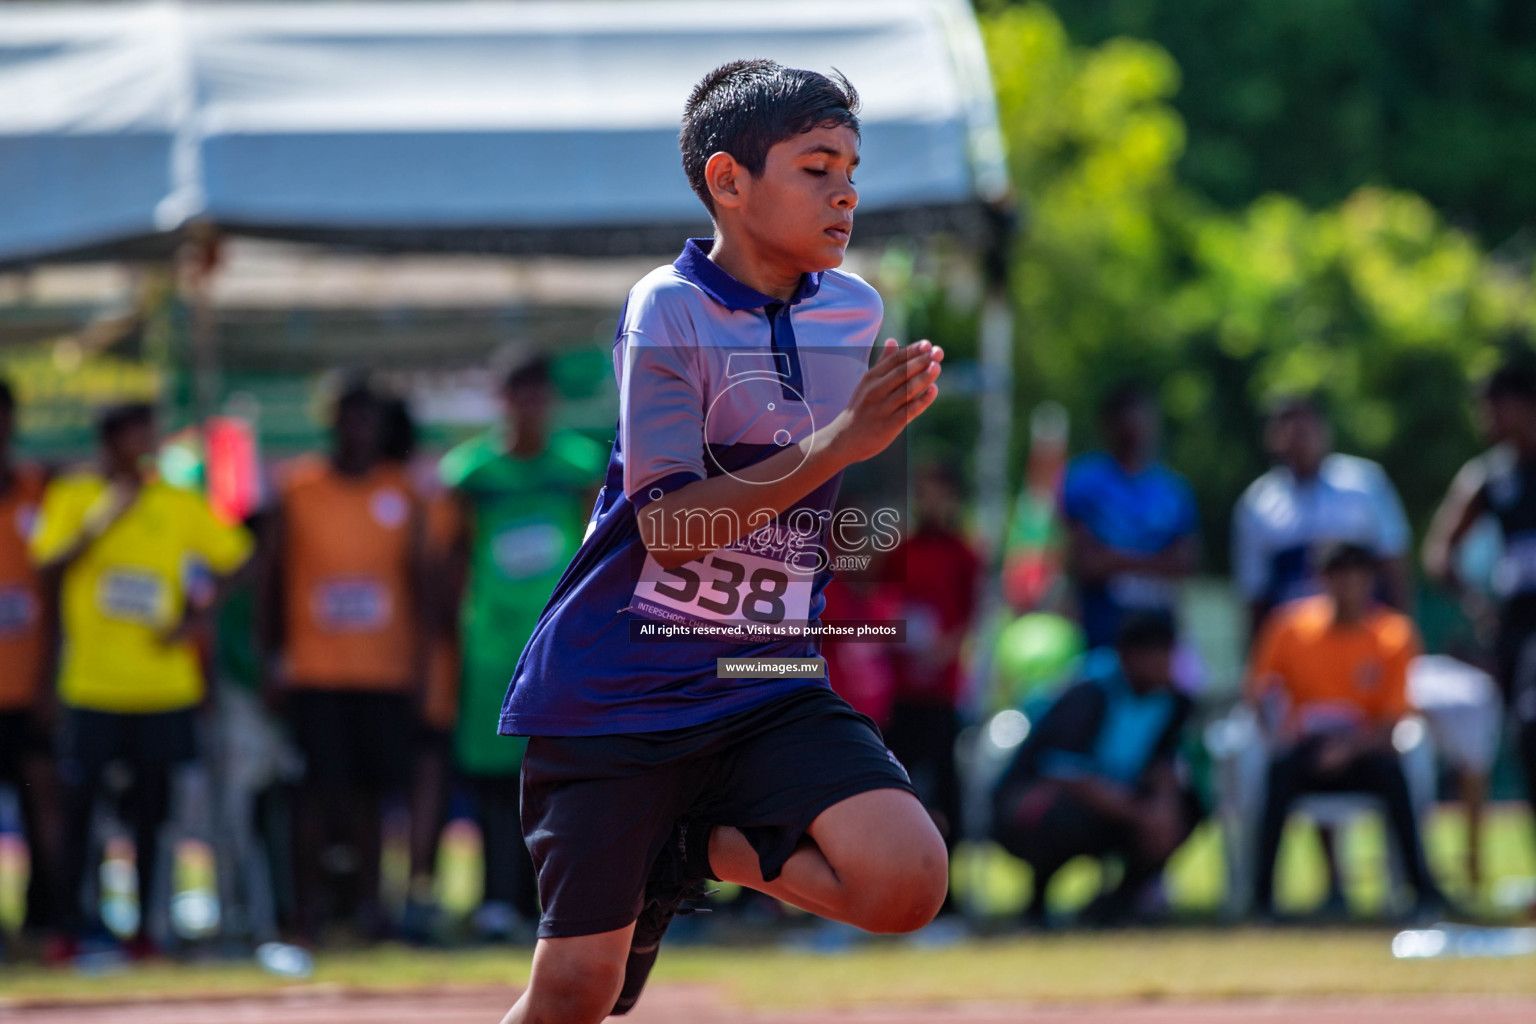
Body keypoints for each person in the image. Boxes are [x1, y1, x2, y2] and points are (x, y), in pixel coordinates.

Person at [497, 60, 948, 1024]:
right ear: (727, 182)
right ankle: (669, 847)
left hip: (763, 682)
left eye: (852, 169)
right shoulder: (667, 305)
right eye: (817, 165)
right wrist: (846, 442)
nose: (846, 191)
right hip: (620, 688)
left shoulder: (855, 311)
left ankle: (686, 850)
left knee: (907, 882)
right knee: (576, 993)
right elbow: (669, 529)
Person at [31, 402, 253, 959]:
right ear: (108, 441)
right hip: (92, 686)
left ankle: (146, 930)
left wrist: (198, 617)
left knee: (154, 815)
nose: (145, 445)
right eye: (134, 435)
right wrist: (105, 517)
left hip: (164, 689)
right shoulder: (73, 496)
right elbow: (48, 569)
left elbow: (239, 557)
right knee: (82, 813)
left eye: (149, 435)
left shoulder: (177, 502)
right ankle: (75, 928)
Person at [440, 353, 606, 944]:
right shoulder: (471, 473)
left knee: (559, 778)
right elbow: (453, 557)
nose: (528, 408)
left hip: (562, 650)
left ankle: (555, 901)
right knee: (492, 781)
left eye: (539, 396)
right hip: (492, 650)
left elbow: (597, 555)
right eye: (518, 396)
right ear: (502, 400)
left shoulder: (580, 467)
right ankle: (493, 901)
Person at [261, 381, 426, 943]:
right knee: (313, 796)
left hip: (383, 672)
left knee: (373, 797)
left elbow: (419, 581)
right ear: (332, 423)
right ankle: (307, 910)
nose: (359, 431)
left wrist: (422, 666)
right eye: (349, 419)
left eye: (368, 420)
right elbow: (270, 577)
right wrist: (271, 659)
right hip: (315, 672)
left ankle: (367, 908)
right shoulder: (298, 486)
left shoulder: (399, 490)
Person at [1247, 542, 1444, 919]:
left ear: (1370, 580)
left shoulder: (1392, 633)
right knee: (1277, 774)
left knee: (1395, 776)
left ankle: (1422, 891)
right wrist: (1277, 730)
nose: (1348, 586)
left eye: (1357, 576)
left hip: (1364, 749)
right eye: (1338, 576)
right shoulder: (1289, 627)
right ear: (1322, 580)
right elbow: (1260, 691)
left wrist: (1349, 749)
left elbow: (1394, 717)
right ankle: (1261, 899)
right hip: (1304, 747)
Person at [991, 612, 1199, 927]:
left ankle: (1116, 904)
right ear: (1131, 656)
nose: (1168, 664)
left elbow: (1165, 763)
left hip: (1118, 802)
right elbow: (1064, 772)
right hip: (1041, 804)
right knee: (1068, 816)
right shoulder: (1087, 691)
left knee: (1189, 809)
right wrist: (1139, 814)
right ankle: (1037, 900)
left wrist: (1163, 808)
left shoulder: (1175, 701)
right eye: (1161, 654)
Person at [1424, 363, 1536, 907]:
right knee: (1529, 734)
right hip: (1520, 630)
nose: (1485, 419)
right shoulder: (1492, 477)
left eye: (1493, 406)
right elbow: (1439, 551)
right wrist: (1476, 602)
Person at [882, 462, 982, 898]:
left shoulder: (965, 554)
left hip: (941, 693)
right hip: (901, 692)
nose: (928, 502)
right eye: (921, 492)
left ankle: (947, 888)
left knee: (945, 788)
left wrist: (944, 649)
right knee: (894, 785)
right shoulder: (901, 551)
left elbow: (970, 615)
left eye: (936, 492)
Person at [1234, 395, 1412, 633]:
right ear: (1271, 438)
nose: (1299, 438)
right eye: (1288, 429)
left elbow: (1394, 564)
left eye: (1306, 428)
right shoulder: (1256, 503)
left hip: (1363, 634)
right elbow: (1255, 592)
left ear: (1324, 430)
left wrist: (1399, 631)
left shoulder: (1365, 483)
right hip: (1296, 643)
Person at [1061, 383, 1199, 650]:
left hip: (1159, 633)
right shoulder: (1083, 482)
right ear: (1108, 425)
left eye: (1142, 417)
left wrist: (1114, 559)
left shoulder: (1174, 489)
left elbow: (1185, 563)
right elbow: (1086, 563)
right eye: (1125, 419)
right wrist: (1157, 562)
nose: (1135, 429)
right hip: (1101, 631)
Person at [0, 380, 63, 950]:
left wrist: (49, 681)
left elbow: (58, 589)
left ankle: (48, 916)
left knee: (44, 798)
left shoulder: (39, 494)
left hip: (29, 686)